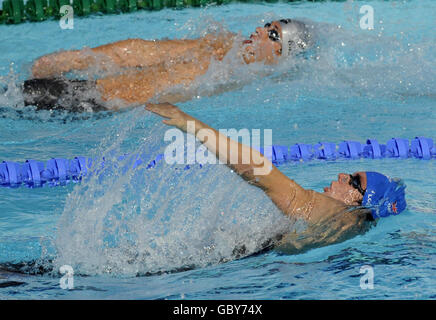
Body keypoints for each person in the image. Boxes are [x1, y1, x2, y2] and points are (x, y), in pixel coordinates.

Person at [145, 102, 407, 254]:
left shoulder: (331, 211)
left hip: (238, 263)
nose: (342, 175)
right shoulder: (352, 229)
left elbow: (257, 170)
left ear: (362, 200)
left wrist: (189, 124)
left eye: (353, 181)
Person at [23, 19, 313, 112]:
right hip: (86, 92)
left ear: (280, 54)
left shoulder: (249, 79)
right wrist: (76, 59)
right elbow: (148, 51)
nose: (260, 31)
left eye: (273, 34)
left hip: (99, 106)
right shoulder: (223, 44)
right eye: (266, 26)